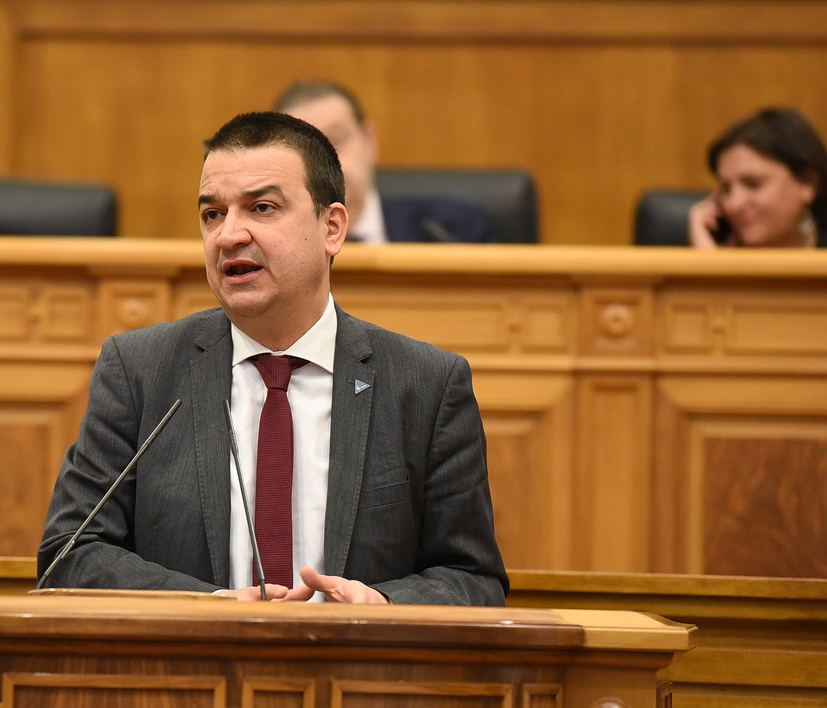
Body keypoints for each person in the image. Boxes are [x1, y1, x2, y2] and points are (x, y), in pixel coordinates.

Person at [38, 111, 507, 605]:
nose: (228, 235)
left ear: (332, 228)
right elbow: (70, 553)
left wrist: (383, 607)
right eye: (212, 214)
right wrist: (210, 605)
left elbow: (473, 579)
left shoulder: (427, 385)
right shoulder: (138, 371)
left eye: (261, 208)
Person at [274, 80, 495, 244]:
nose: (325, 162)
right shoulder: (269, 249)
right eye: (306, 150)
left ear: (369, 140)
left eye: (336, 141)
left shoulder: (453, 230)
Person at [688, 107, 827, 249]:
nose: (733, 204)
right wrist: (709, 261)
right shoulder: (703, 247)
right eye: (726, 189)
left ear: (808, 182)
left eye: (753, 184)